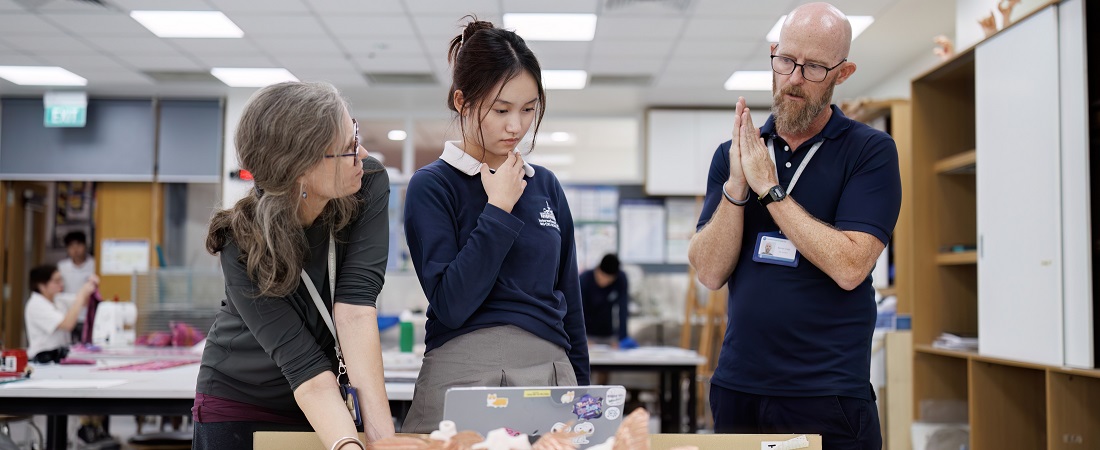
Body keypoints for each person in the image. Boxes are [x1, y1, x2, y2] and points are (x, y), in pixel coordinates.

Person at [687, 3, 901, 449]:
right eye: (786, 60)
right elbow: (708, 272)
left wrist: (771, 190)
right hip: (738, 389)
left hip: (826, 394)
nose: (795, 78)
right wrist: (737, 186)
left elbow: (850, 265)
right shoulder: (736, 154)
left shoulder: (870, 152)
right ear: (773, 53)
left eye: (816, 67)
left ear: (843, 73)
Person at [400, 18, 589, 433]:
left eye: (528, 109)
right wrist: (499, 209)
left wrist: (583, 395)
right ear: (461, 101)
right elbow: (452, 303)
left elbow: (569, 300)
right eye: (501, 110)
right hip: (465, 371)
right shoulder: (433, 185)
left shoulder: (545, 185)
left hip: (551, 371)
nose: (516, 127)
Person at [193, 81, 393, 450]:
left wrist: (383, 443)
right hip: (244, 402)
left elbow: (356, 311)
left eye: (356, 134)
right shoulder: (240, 241)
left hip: (329, 403)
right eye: (347, 148)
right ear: (300, 167)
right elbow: (306, 371)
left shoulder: (367, 183)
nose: (361, 152)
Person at [24, 264, 98, 363]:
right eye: (56, 281)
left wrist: (90, 284)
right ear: (42, 286)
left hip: (58, 356)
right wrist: (81, 295)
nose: (61, 284)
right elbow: (67, 324)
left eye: (61, 279)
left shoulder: (57, 298)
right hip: (43, 359)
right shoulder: (36, 305)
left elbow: (84, 301)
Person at [579, 254, 632, 347]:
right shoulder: (584, 280)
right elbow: (578, 312)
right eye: (602, 277)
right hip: (587, 335)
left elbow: (623, 309)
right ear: (598, 269)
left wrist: (621, 338)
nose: (605, 282)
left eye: (609, 280)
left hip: (609, 334)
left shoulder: (621, 279)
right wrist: (581, 338)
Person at [56, 230, 95, 340]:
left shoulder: (94, 265)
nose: (75, 249)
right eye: (71, 246)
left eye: (78, 245)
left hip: (88, 314)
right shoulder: (62, 267)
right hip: (69, 314)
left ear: (85, 246)